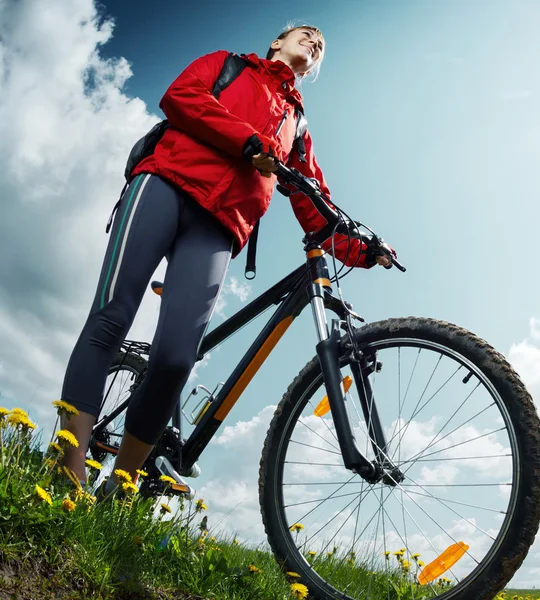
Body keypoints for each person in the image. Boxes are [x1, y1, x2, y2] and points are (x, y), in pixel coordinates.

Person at [58, 25, 392, 494]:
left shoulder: (297, 122)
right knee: (110, 319)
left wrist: (362, 246)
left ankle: (122, 485)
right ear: (277, 41)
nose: (315, 42)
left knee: (175, 359)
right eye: (307, 34)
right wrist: (248, 141)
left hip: (220, 225)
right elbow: (181, 97)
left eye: (321, 46)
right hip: (164, 185)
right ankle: (66, 476)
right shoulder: (227, 64)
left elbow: (313, 200)